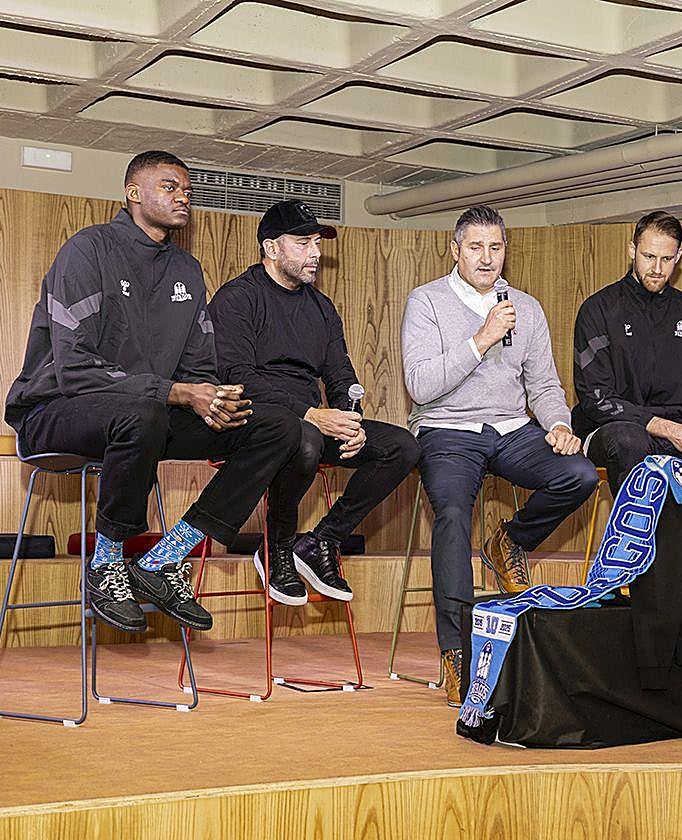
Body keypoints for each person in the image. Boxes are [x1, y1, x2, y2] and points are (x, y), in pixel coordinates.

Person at [4, 151, 301, 634]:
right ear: (133, 193)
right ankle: (106, 563)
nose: (183, 197)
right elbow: (74, 369)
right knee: (143, 414)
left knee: (277, 427)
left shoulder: (187, 270)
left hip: (147, 416)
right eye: (169, 187)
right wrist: (179, 392)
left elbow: (198, 368)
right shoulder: (88, 250)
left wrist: (212, 399)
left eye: (188, 191)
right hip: (54, 410)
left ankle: (164, 559)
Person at [402, 205, 598, 706]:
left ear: (505, 250)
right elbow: (420, 386)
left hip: (511, 428)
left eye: (495, 247)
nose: (487, 258)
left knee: (579, 474)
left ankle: (508, 540)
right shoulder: (426, 301)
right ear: (455, 250)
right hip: (447, 429)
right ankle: (457, 653)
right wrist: (482, 338)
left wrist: (558, 424)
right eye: (475, 248)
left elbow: (544, 385)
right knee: (452, 514)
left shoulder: (525, 307)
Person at [207, 200, 420, 604]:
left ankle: (322, 540)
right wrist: (311, 415)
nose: (316, 253)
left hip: (312, 424)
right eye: (303, 243)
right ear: (272, 248)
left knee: (402, 447)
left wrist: (351, 420)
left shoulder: (321, 307)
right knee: (302, 439)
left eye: (317, 243)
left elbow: (341, 374)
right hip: (255, 427)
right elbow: (237, 378)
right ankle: (277, 547)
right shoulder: (237, 298)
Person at [572, 211, 682, 490]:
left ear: (678, 257)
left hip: (679, 432)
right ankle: (637, 521)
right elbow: (596, 398)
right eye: (649, 256)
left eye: (666, 259)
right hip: (611, 429)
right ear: (632, 250)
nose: (657, 268)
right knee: (631, 442)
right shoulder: (598, 310)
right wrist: (669, 429)